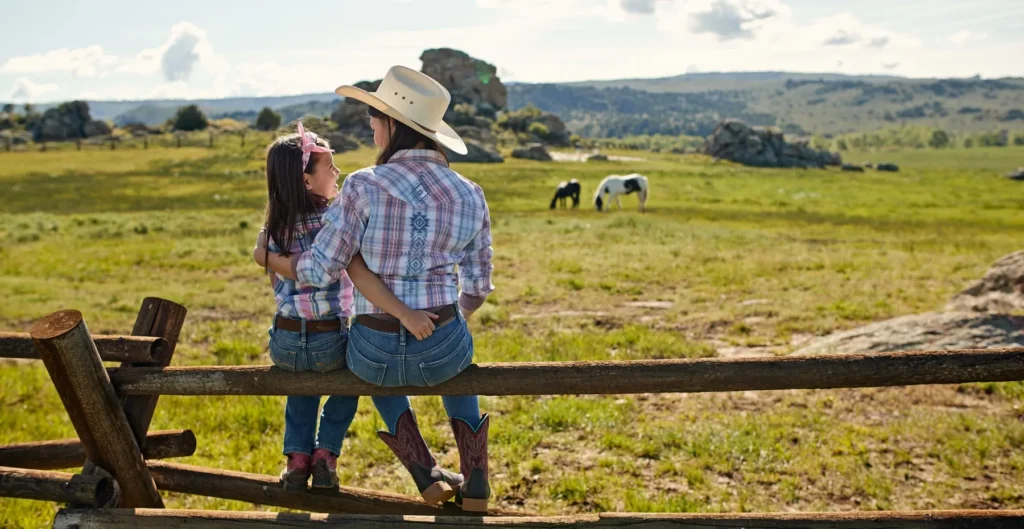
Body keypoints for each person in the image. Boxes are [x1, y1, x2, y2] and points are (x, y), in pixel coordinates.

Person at [256, 66, 495, 511]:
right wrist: (446, 321)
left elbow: (320, 270)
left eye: (375, 119)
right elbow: (479, 286)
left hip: (374, 348)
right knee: (458, 358)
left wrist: (267, 258)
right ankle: (476, 476)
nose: (371, 127)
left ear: (392, 125)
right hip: (441, 342)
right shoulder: (470, 193)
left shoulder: (362, 185)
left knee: (370, 362)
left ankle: (422, 468)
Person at [255, 122, 441, 491]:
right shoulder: (335, 219)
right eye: (330, 166)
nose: (338, 172)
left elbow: (276, 281)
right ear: (306, 181)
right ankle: (326, 454)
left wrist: (265, 256)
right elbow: (342, 269)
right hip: (329, 338)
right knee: (353, 376)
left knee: (300, 386)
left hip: (285, 341)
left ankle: (297, 460)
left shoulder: (272, 228)